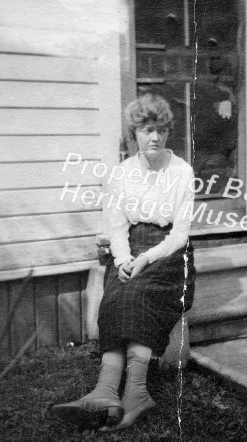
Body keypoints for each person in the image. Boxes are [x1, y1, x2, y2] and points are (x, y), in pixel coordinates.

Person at [51, 93, 196, 432]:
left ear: (168, 132)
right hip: (130, 248)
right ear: (135, 134)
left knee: (136, 296)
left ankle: (135, 393)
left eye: (160, 130)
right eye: (146, 130)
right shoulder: (121, 173)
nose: (154, 138)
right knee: (116, 295)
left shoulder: (182, 171)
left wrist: (144, 259)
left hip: (169, 254)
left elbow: (180, 235)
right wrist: (124, 259)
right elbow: (116, 228)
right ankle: (104, 392)